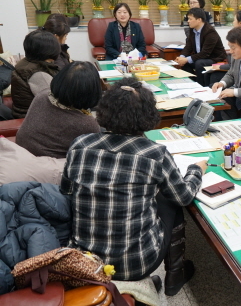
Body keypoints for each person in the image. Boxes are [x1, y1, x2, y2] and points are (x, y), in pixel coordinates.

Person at [61, 77, 206, 296]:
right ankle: (175, 273)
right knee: (170, 199)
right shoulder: (155, 154)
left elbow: (66, 191)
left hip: (86, 260)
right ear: (149, 115)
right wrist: (196, 170)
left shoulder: (80, 144)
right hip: (137, 264)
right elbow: (184, 196)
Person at [16, 61, 101, 158]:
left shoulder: (43, 95)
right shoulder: (87, 123)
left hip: (20, 152)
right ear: (93, 92)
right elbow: (92, 154)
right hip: (48, 165)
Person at [11, 29, 60, 118]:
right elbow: (56, 104)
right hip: (37, 119)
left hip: (27, 115)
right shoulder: (39, 75)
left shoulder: (25, 63)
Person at [176, 8, 227, 85]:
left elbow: (205, 53)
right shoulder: (192, 30)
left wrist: (186, 59)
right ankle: (192, 83)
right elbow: (188, 47)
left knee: (199, 63)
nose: (188, 21)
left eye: (190, 19)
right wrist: (181, 57)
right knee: (186, 63)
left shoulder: (210, 32)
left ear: (199, 20)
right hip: (201, 57)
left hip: (214, 58)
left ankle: (201, 86)